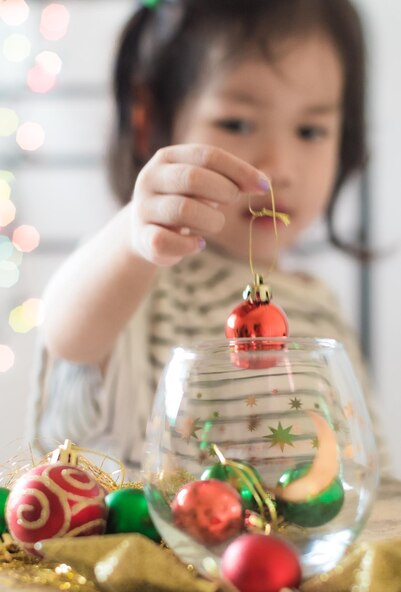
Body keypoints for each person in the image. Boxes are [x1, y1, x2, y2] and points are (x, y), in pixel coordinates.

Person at [29, 0, 388, 475]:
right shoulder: (136, 274)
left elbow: (369, 472)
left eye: (311, 130)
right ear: (147, 122)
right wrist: (135, 233)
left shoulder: (321, 310)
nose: (277, 166)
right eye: (236, 123)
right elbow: (66, 335)